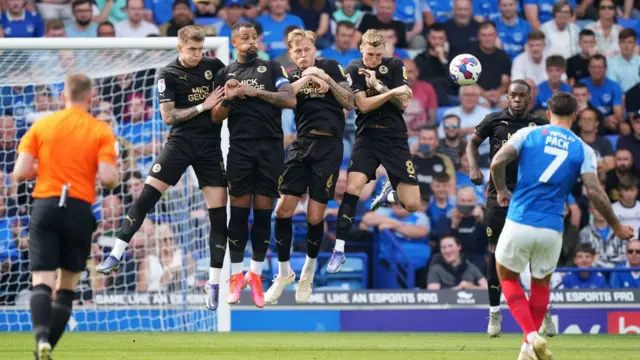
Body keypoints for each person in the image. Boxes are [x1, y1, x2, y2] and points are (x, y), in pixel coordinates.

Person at [489, 92, 634, 359]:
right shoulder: (583, 149)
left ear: (547, 112)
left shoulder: (529, 135)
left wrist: (500, 190)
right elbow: (594, 190)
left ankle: (532, 336)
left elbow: (498, 161)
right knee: (541, 284)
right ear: (576, 116)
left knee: (507, 277)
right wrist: (616, 226)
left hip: (520, 219)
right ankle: (527, 349)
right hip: (553, 227)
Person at [95, 25, 228, 312]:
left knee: (218, 215)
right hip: (179, 144)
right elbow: (168, 117)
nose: (197, 54)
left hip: (209, 148)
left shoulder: (215, 66)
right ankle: (116, 254)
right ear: (180, 48)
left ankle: (214, 283)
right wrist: (203, 107)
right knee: (145, 198)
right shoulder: (167, 74)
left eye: (200, 48)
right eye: (191, 49)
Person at [14, 73, 119, 359]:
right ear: (91, 97)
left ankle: (41, 337)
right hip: (78, 207)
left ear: (64, 96)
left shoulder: (42, 125)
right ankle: (42, 350)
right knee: (68, 285)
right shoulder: (100, 130)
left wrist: (44, 170)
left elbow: (21, 172)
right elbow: (109, 178)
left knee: (42, 279)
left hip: (46, 205)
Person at [265, 29, 354, 304]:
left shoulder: (331, 66)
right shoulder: (289, 76)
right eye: (298, 52)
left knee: (315, 216)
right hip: (302, 145)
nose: (303, 55)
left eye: (307, 49)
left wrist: (324, 77)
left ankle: (308, 271)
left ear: (314, 48)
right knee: (282, 210)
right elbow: (286, 99)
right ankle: (283, 272)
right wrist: (306, 78)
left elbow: (349, 101)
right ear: (291, 54)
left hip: (329, 147)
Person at [212, 21, 296, 308]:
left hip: (271, 148)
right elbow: (215, 116)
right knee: (237, 215)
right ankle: (235, 276)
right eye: (244, 38)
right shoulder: (225, 74)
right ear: (234, 42)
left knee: (262, 215)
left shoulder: (272, 68)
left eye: (254, 37)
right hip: (240, 149)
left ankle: (256, 275)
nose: (251, 41)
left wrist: (256, 92)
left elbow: (290, 99)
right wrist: (229, 99)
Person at [465, 80, 551, 338]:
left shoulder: (540, 125)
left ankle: (543, 311)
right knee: (496, 254)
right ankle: (494, 311)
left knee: (537, 253)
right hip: (497, 197)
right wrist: (473, 166)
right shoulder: (494, 120)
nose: (516, 100)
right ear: (507, 97)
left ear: (529, 98)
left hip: (529, 196)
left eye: (521, 96)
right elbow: (472, 143)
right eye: (512, 95)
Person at [328, 29, 417, 273]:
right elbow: (363, 105)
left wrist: (378, 85)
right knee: (352, 189)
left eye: (379, 55)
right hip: (367, 137)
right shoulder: (354, 68)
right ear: (361, 50)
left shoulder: (396, 65)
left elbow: (405, 103)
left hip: (395, 139)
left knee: (413, 204)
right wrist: (389, 92)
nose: (375, 59)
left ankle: (390, 195)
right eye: (370, 54)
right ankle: (339, 249)